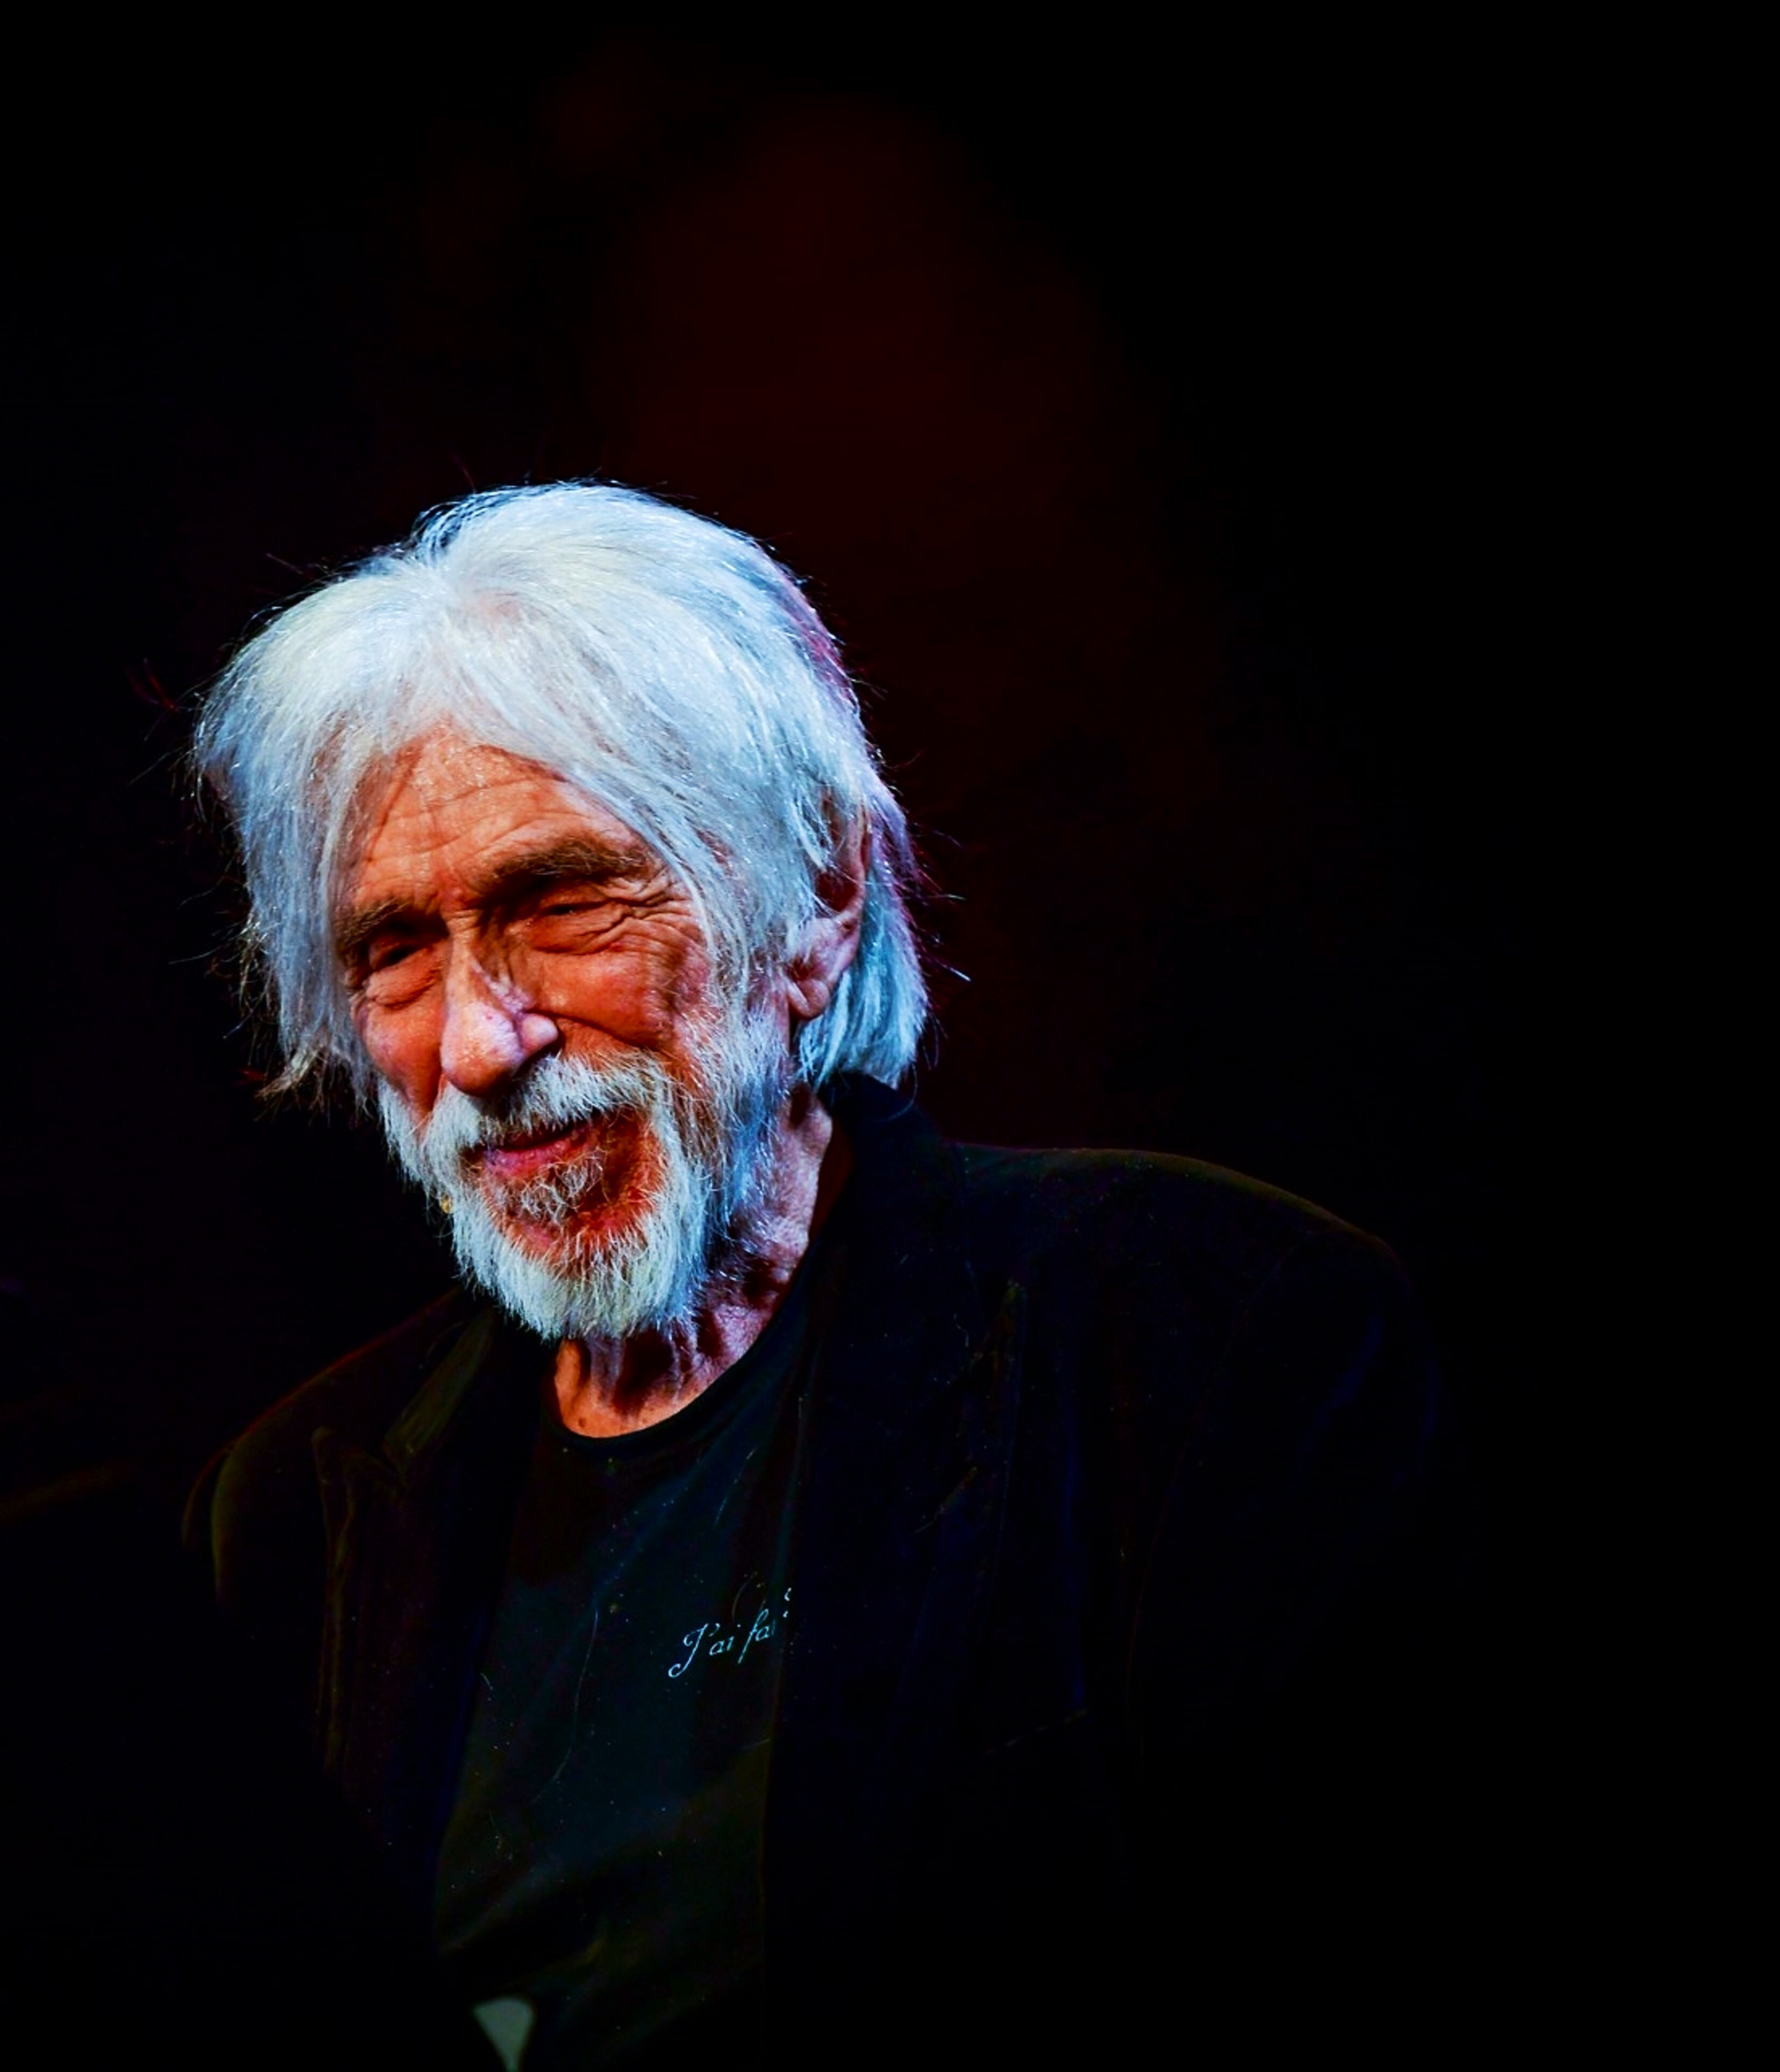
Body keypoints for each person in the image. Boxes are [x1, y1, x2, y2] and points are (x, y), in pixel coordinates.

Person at [181, 484, 1470, 2066]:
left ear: (820, 897)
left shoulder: (1197, 1331)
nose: (477, 1043)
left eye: (563, 902)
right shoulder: (292, 1521)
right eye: (394, 949)